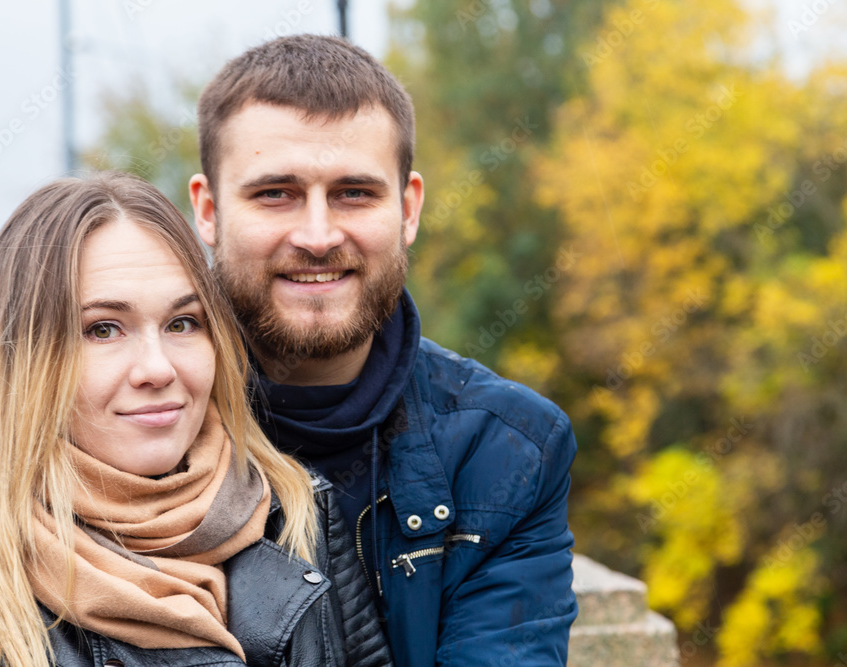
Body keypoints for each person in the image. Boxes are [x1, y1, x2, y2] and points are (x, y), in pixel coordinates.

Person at [188, 35, 579, 666]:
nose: (317, 236)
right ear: (208, 211)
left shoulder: (508, 452)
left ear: (408, 207)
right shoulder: (132, 428)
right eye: (275, 194)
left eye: (354, 193)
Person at [0, 172, 390, 666]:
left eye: (182, 323)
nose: (158, 369)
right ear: (22, 362)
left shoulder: (298, 513)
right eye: (103, 329)